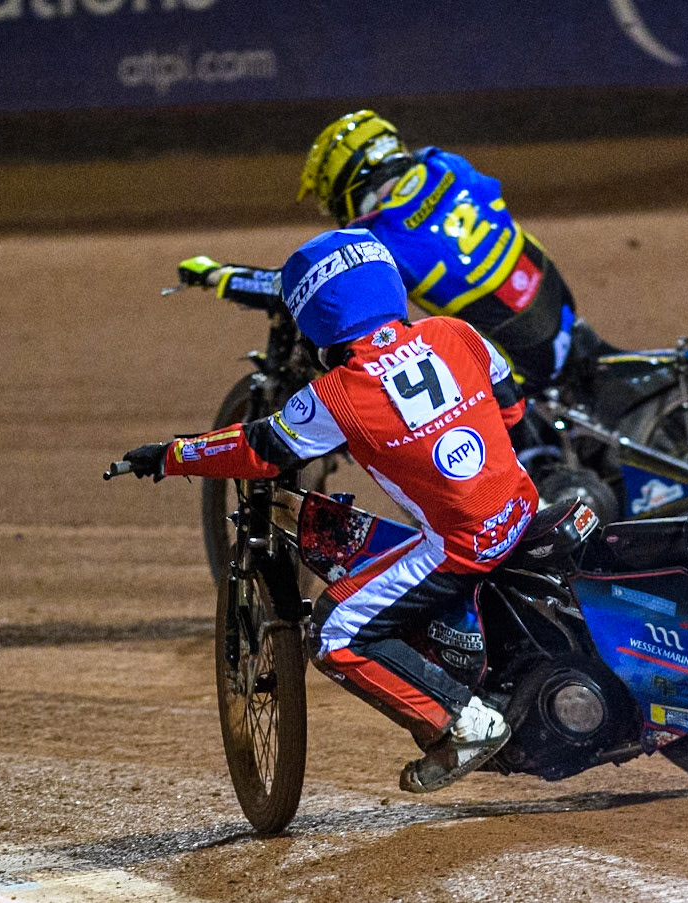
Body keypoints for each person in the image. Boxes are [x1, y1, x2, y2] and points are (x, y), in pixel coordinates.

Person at [123, 228, 539, 793]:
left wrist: (172, 455)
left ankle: (462, 724)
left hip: (460, 544)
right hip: (523, 505)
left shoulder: (337, 394)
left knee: (334, 633)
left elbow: (258, 451)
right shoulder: (455, 333)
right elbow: (510, 404)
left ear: (313, 315)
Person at [178, 109, 587, 398]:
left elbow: (294, 288)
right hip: (560, 312)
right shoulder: (449, 166)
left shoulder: (379, 237)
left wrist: (221, 276)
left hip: (524, 362)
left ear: (349, 184)